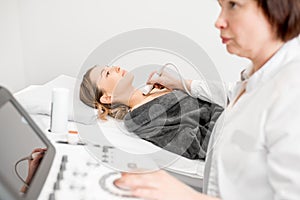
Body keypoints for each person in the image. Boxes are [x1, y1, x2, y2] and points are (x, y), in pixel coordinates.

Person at [114, 0, 300, 199]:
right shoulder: (254, 79)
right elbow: (229, 95)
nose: (218, 21)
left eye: (234, 5)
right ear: (106, 98)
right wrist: (183, 83)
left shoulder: (291, 92)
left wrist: (187, 196)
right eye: (221, 7)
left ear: (276, 8)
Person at [80, 65, 223, 160]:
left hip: (235, 113)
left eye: (110, 66)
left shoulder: (160, 88)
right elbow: (194, 145)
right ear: (107, 97)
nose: (115, 67)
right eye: (107, 73)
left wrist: (182, 85)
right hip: (229, 136)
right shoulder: (142, 120)